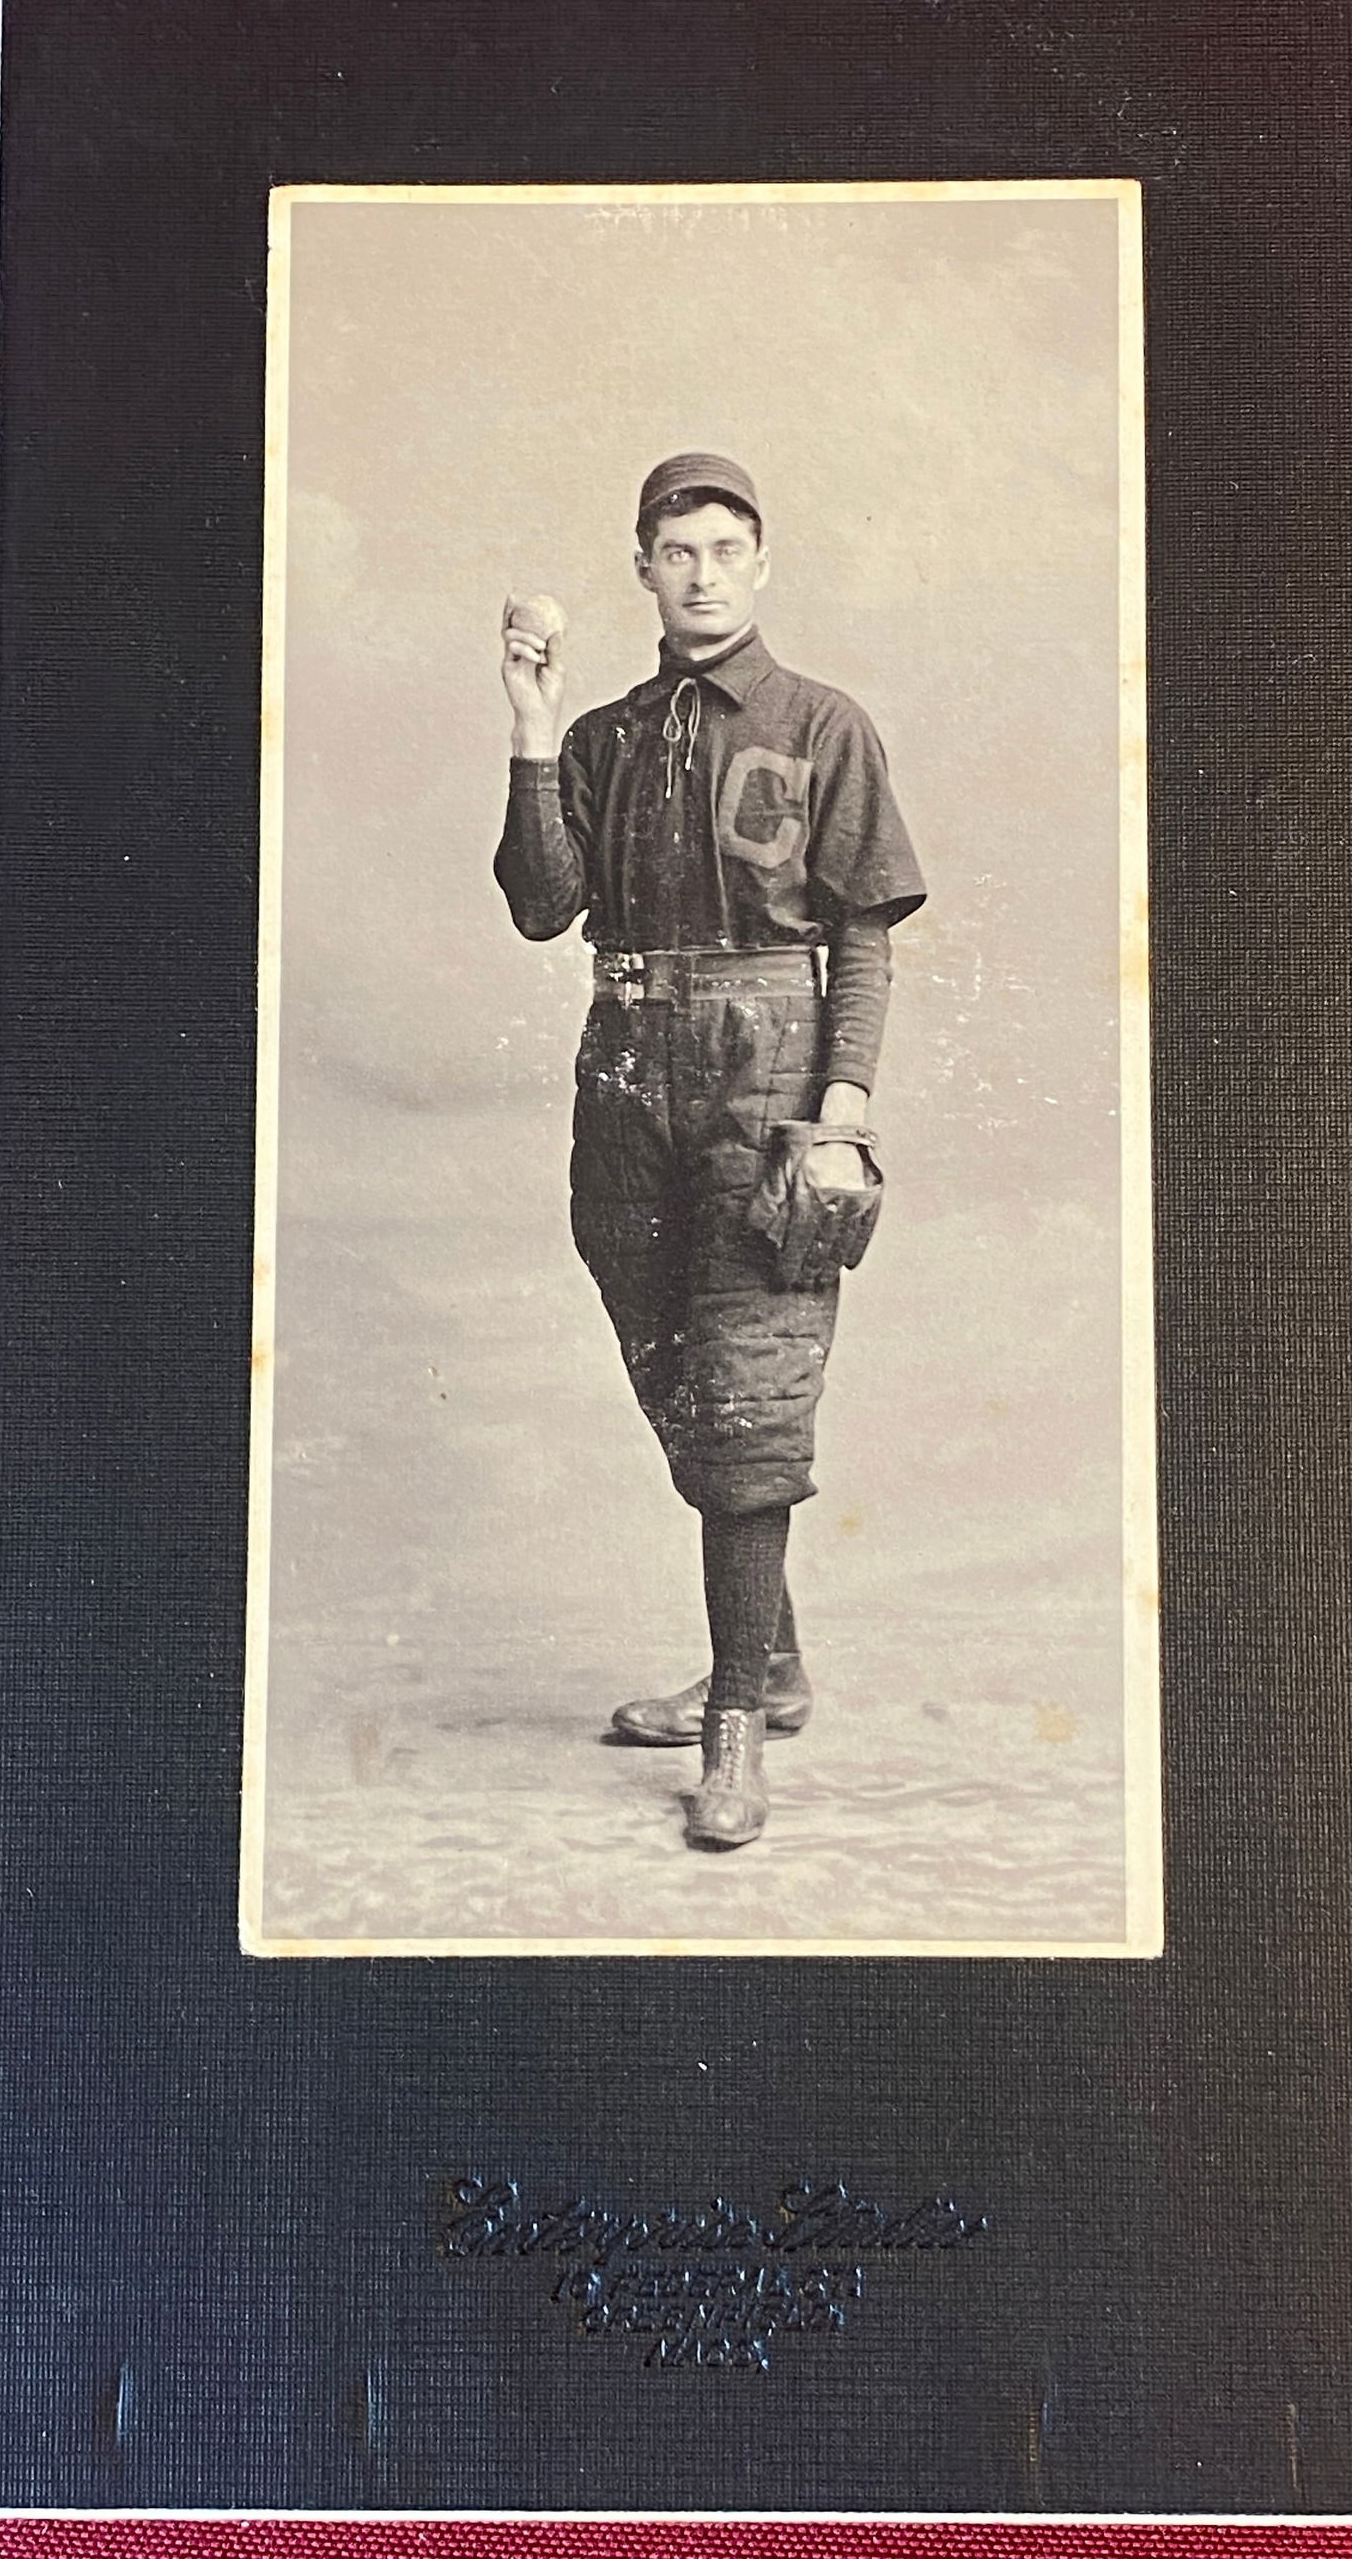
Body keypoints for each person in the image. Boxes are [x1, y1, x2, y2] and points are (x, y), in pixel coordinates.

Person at [495, 452, 925, 1851]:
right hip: (625, 1076)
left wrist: (844, 1105)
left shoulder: (822, 724)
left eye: (725, 547)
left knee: (748, 1398)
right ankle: (771, 1659)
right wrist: (534, 727)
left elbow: (859, 933)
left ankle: (738, 1724)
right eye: (675, 550)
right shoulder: (614, 737)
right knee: (677, 1371)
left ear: (760, 562)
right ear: (642, 568)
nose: (701, 571)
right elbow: (544, 909)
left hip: (767, 1074)